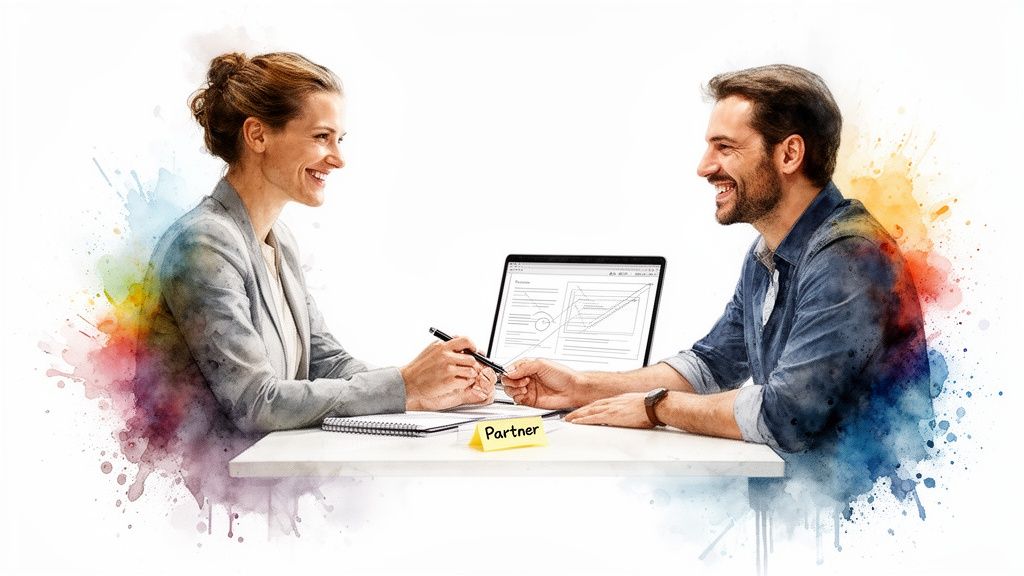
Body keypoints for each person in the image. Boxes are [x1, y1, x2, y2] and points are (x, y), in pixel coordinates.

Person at [503, 65, 931, 474]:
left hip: (856, 520)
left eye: (724, 148)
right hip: (801, 509)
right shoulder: (769, 253)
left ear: (790, 154)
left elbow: (787, 416)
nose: (705, 167)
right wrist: (581, 386)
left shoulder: (851, 256)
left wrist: (656, 406)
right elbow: (711, 366)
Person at [132, 52, 495, 445]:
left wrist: (437, 386)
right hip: (198, 486)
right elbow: (255, 401)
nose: (338, 159)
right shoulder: (204, 243)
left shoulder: (278, 240)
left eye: (339, 140)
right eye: (322, 137)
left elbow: (327, 363)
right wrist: (405, 385)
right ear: (257, 136)